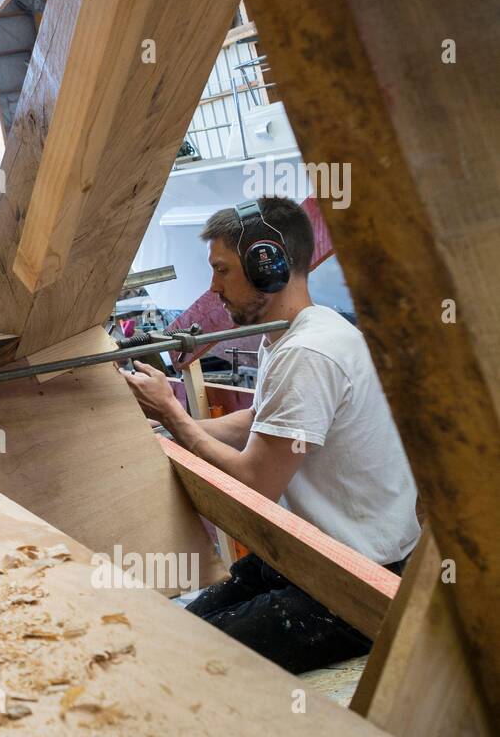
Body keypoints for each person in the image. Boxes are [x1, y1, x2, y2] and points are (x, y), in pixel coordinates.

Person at [118, 197, 419, 673]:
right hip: (310, 553)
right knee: (174, 630)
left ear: (268, 265)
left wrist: (174, 415)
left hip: (358, 582)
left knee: (187, 662)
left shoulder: (309, 352)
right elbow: (262, 419)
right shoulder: (293, 333)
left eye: (223, 271)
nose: (213, 288)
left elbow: (257, 481)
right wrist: (164, 424)